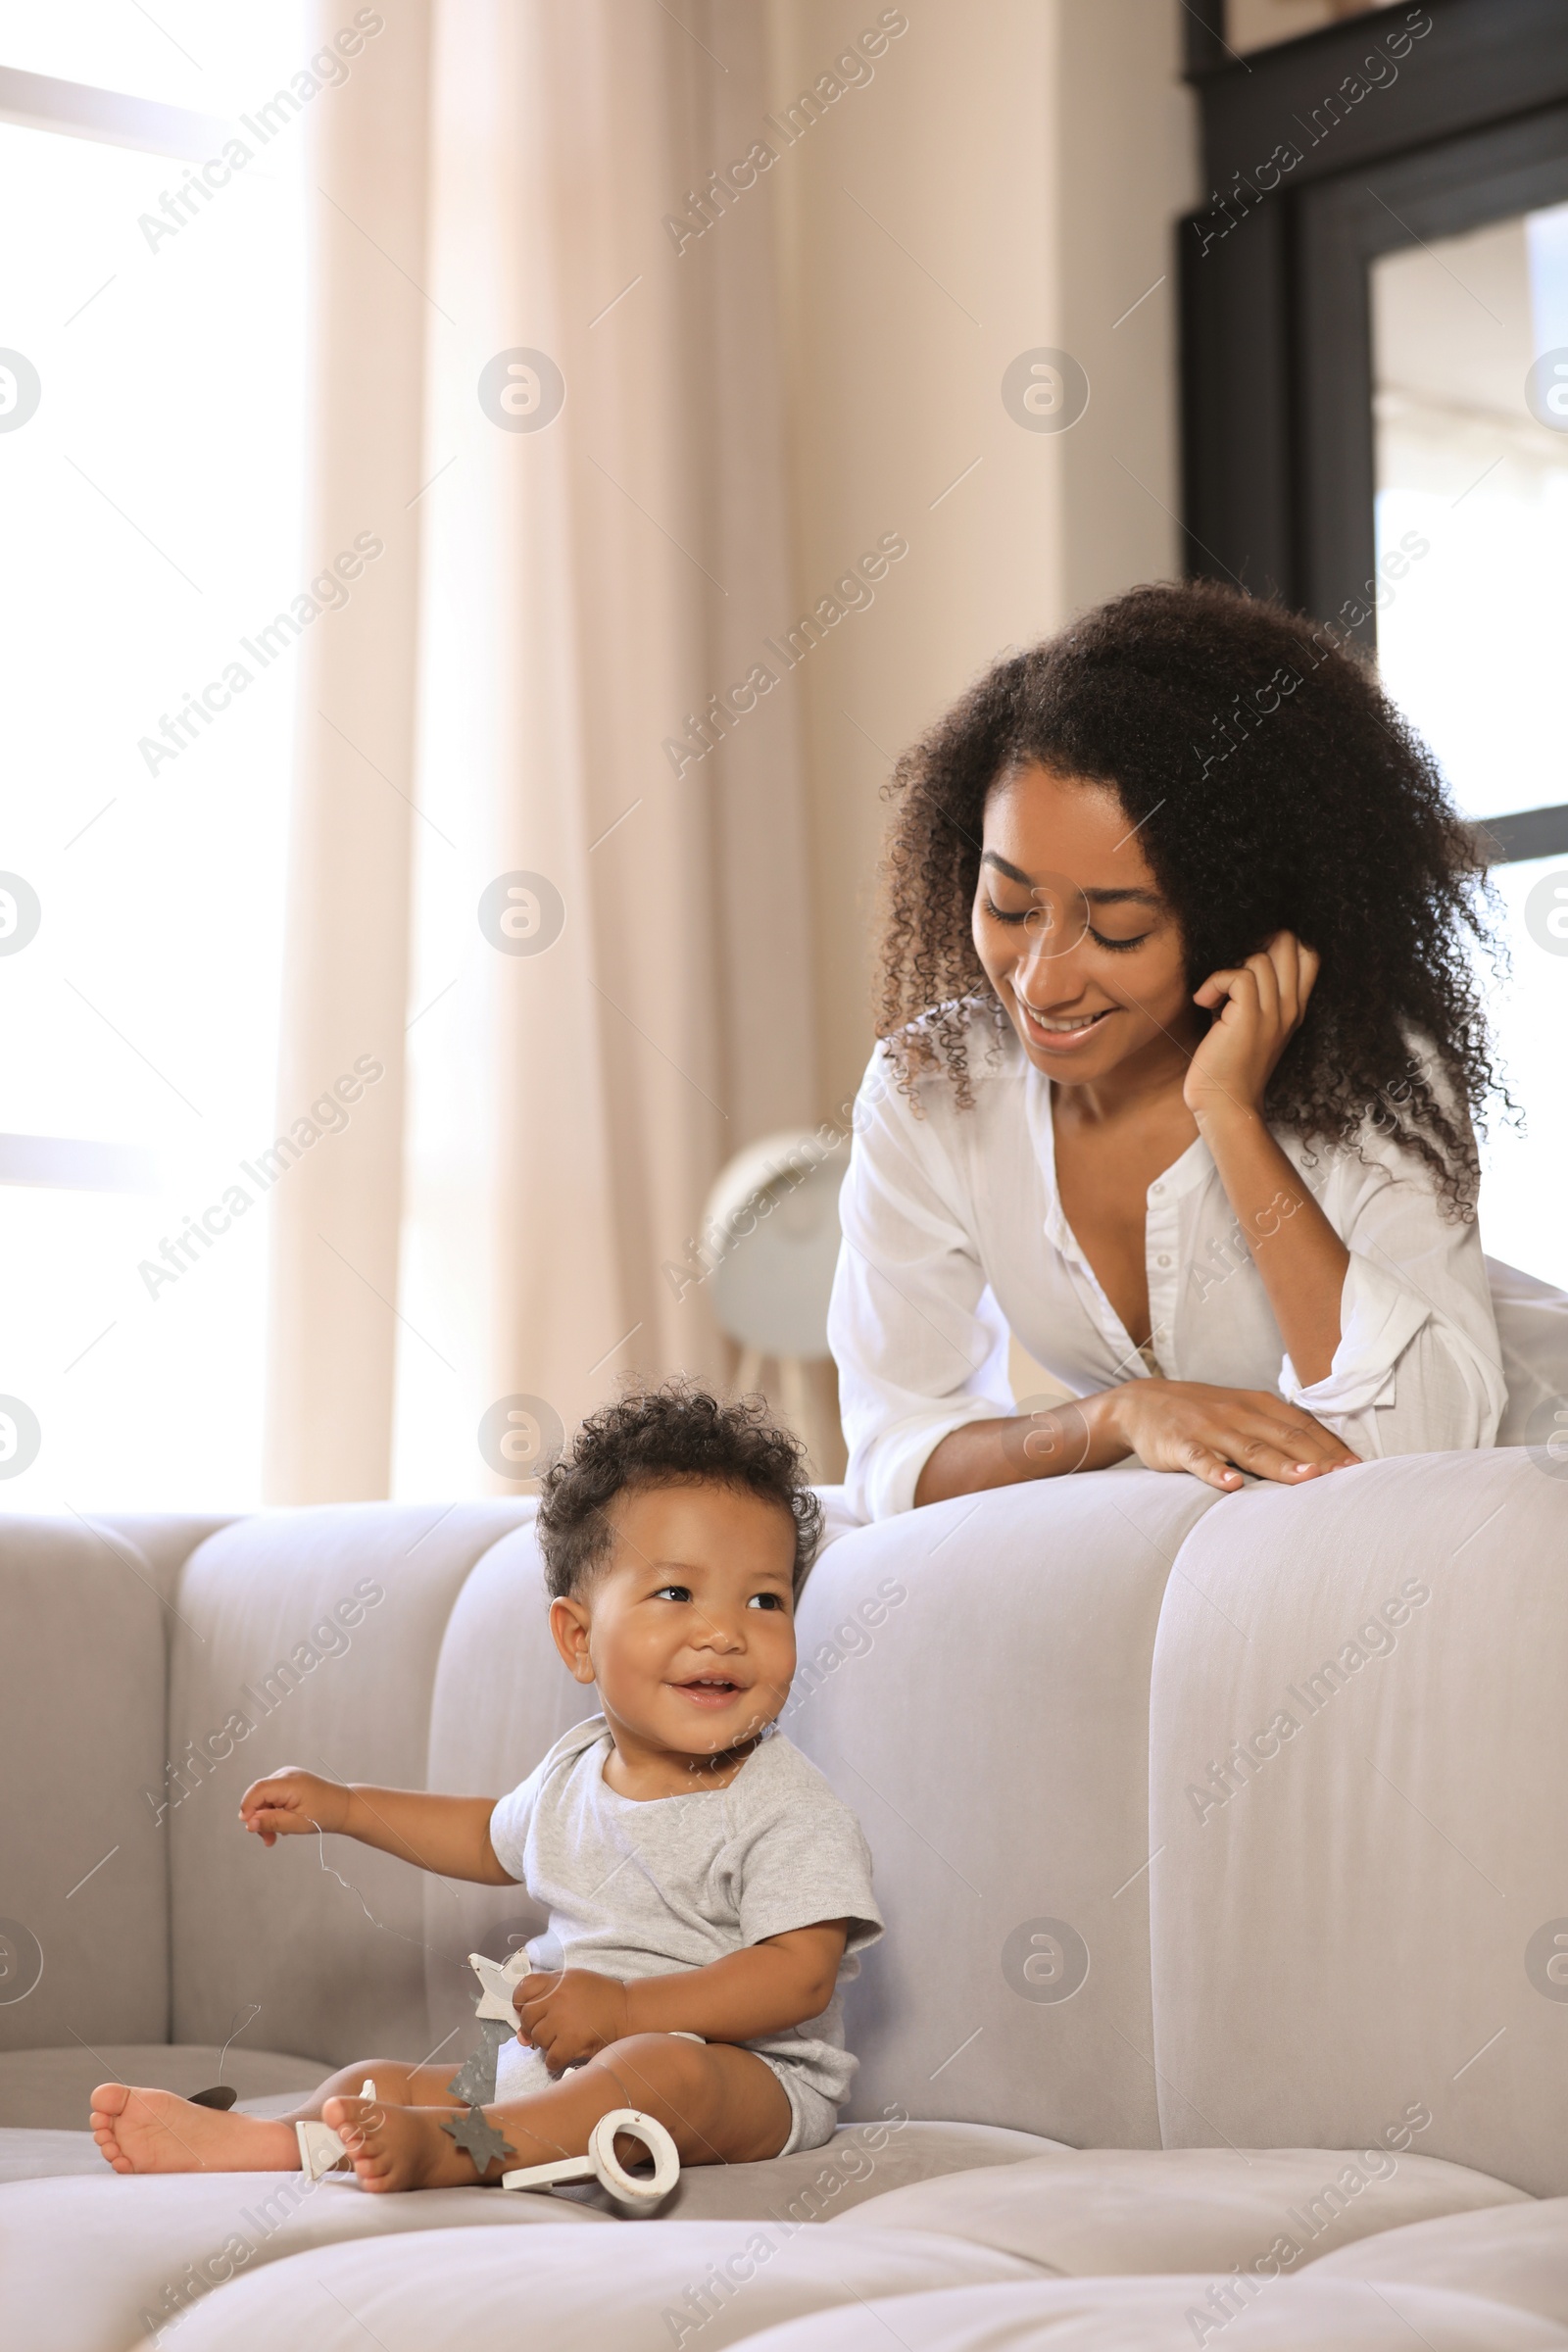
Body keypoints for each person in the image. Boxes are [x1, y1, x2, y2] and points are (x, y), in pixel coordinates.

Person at [829, 580, 1515, 1522]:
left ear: (1238, 921)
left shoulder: (1370, 1080)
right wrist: (1114, 1419)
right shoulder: (937, 1086)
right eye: (1010, 907)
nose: (1041, 983)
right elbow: (891, 1454)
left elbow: (1408, 1453)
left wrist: (1231, 1116)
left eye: (1115, 931)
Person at [89, 1385, 881, 2193]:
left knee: (661, 2071)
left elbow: (799, 1976)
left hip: (746, 2079)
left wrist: (628, 2013)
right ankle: (260, 2143)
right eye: (676, 1593)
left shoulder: (787, 1804)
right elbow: (484, 1837)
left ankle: (459, 2149)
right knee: (377, 2081)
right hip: (564, 2060)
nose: (725, 1630)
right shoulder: (576, 1771)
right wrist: (347, 1807)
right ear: (579, 1639)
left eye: (765, 1599)